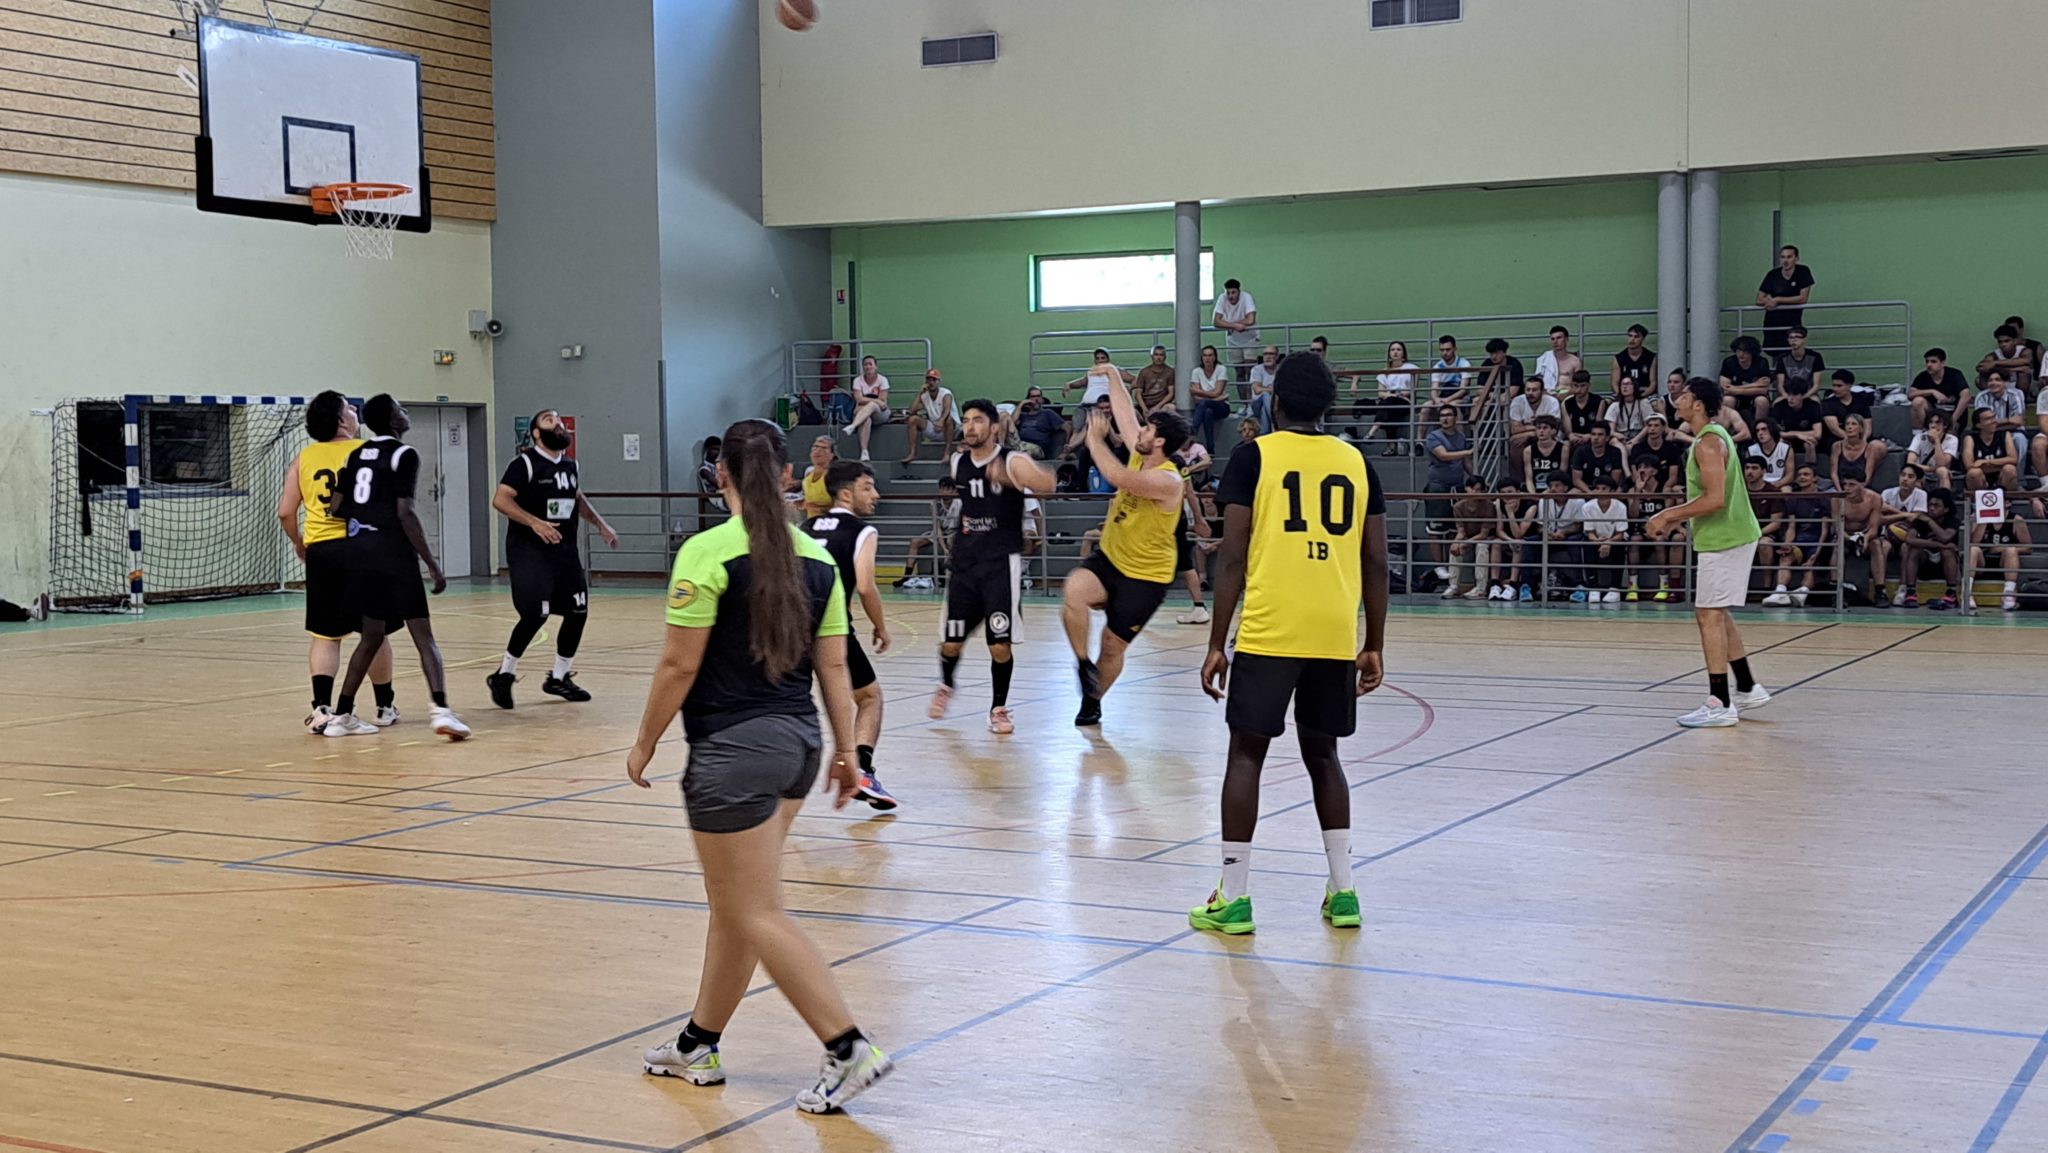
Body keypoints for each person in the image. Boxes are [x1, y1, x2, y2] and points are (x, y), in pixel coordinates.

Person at [629, 418, 892, 1112]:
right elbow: (834, 667)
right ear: (786, 476)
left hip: (733, 756)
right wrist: (847, 753)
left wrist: (644, 741)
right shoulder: (817, 558)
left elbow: (679, 663)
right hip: (798, 748)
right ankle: (698, 1041)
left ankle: (847, 1047)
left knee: (755, 910)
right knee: (736, 907)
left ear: (720, 475)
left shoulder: (706, 552)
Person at [1193, 351, 1387, 936]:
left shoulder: (1254, 456)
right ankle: (1344, 892)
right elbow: (1376, 560)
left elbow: (1232, 555)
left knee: (1246, 755)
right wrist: (1373, 642)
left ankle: (1233, 898)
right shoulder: (1356, 461)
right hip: (1333, 632)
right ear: (1328, 405)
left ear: (1273, 401)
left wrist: (1216, 642)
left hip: (1272, 628)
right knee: (1324, 756)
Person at [324, 394, 470, 740]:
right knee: (423, 635)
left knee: (371, 635)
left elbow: (336, 507)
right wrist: (432, 564)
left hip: (359, 551)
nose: (406, 413)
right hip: (391, 552)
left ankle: (341, 716)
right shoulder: (404, 454)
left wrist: (365, 514)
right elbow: (405, 513)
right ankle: (441, 711)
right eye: (400, 409)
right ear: (393, 420)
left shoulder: (355, 454)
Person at [1063, 370, 1192, 727]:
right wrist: (1112, 375)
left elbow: (1119, 478)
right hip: (1111, 557)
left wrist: (1094, 440)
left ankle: (1093, 702)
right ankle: (1082, 665)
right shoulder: (1142, 451)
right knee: (1074, 591)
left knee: (1112, 645)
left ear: (1160, 442)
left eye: (1148, 429)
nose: (1140, 431)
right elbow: (1124, 413)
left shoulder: (1167, 479)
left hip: (1146, 577)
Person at [1646, 377, 1771, 728]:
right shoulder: (1712, 436)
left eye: (1684, 395)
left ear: (1698, 404)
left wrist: (1668, 515)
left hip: (1726, 538)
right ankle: (1746, 687)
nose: (1677, 399)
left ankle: (1720, 703)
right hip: (1726, 536)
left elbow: (1715, 499)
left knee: (1709, 616)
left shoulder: (1709, 443)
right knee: (1718, 612)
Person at [930, 399, 1056, 735]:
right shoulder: (958, 462)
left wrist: (1014, 480)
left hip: (1000, 564)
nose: (970, 426)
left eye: (978, 420)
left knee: (999, 644)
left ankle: (998, 708)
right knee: (951, 642)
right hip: (964, 565)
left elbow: (1048, 484)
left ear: (994, 427)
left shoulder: (1012, 461)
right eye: (966, 420)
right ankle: (946, 684)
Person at [276, 391, 394, 734]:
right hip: (365, 547)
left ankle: (321, 709)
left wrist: (299, 542)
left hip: (323, 552)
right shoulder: (368, 451)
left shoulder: (304, 457)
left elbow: (285, 512)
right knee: (375, 632)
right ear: (341, 420)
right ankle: (384, 706)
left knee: (326, 635)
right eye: (349, 407)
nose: (355, 411)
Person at [486, 408, 619, 710]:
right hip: (530, 553)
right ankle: (504, 674)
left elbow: (577, 498)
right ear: (536, 433)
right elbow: (501, 500)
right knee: (536, 614)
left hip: (564, 551)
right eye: (549, 420)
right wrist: (534, 522)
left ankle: (558, 678)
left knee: (578, 611)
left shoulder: (571, 465)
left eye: (559, 420)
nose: (557, 423)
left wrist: (601, 525)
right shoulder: (524, 464)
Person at [804, 460, 896, 809]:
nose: (875, 495)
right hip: (831, 629)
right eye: (867, 487)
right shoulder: (862, 531)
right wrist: (880, 625)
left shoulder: (806, 527)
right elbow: (866, 585)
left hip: (791, 628)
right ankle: (862, 770)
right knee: (870, 698)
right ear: (846, 494)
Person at [1763, 464, 1831, 609]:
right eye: (1799, 475)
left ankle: (1802, 593)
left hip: (1818, 542)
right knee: (1785, 558)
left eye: (1806, 474)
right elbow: (1792, 527)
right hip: (1799, 542)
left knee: (1810, 565)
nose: (1802, 477)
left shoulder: (1823, 499)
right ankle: (1780, 592)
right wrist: (1787, 544)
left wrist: (1817, 553)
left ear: (1815, 478)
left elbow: (1825, 530)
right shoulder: (1793, 499)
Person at [1869, 462, 1928, 608]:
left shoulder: (1921, 495)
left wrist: (1893, 513)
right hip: (1887, 536)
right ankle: (1880, 590)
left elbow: (1915, 519)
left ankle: (1902, 589)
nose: (1905, 479)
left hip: (1910, 537)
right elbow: (1880, 518)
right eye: (1903, 475)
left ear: (1917, 481)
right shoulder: (1887, 493)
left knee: (1906, 548)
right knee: (1882, 547)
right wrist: (1903, 514)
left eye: (1910, 476)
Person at [1896, 488, 1961, 609]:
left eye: (1936, 506)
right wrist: (1937, 545)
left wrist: (1930, 521)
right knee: (1913, 549)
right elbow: (1909, 539)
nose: (1931, 508)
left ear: (1946, 509)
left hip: (1944, 566)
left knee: (1948, 552)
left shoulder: (1952, 521)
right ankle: (1911, 593)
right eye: (1930, 504)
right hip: (1924, 563)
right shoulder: (1921, 520)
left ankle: (1951, 593)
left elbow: (1945, 537)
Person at [1628, 457, 1681, 602]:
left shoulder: (1664, 489)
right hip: (1641, 529)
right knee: (1634, 541)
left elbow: (1668, 514)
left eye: (1646, 467)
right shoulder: (1633, 490)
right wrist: (1638, 492)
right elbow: (1633, 515)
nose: (1642, 470)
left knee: (1659, 541)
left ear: (1655, 471)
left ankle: (1663, 584)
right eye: (1639, 467)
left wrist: (1657, 529)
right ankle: (1633, 585)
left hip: (1660, 529)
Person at [895, 476, 958, 591]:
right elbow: (937, 528)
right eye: (943, 489)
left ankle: (943, 577)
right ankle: (906, 576)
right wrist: (944, 547)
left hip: (954, 532)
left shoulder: (959, 503)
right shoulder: (934, 504)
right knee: (915, 542)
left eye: (949, 489)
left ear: (954, 491)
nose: (945, 492)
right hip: (940, 532)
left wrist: (949, 545)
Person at [1972, 504, 2034, 612]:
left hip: (2004, 562)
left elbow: (2028, 548)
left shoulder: (2016, 519)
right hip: (1983, 562)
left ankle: (2008, 594)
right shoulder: (1980, 517)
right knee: (1973, 549)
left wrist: (2002, 548)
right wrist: (1985, 519)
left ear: (2007, 503)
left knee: (2011, 550)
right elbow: (1973, 542)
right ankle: (1967, 593)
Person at [1756, 245, 1815, 353]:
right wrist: (1770, 302)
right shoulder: (1773, 274)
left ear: (1796, 258)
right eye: (1783, 257)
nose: (1785, 261)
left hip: (1792, 320)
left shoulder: (1803, 271)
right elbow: (1759, 299)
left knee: (1792, 350)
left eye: (1789, 257)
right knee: (1773, 350)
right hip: (1773, 320)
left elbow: (1803, 298)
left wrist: (1778, 300)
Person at [1579, 476, 1629, 603]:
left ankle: (1615, 589)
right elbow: (1590, 533)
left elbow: (1620, 534)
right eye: (1597, 488)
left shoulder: (1620, 507)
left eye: (1604, 488)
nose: (1600, 491)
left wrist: (1608, 542)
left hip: (1614, 539)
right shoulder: (1587, 507)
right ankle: (1593, 587)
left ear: (1612, 491)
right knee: (1588, 546)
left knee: (1619, 547)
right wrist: (1597, 541)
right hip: (1596, 539)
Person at [1446, 475, 1496, 600]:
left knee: (1482, 546)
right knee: (1454, 547)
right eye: (1472, 488)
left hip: (1485, 538)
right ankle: (1453, 585)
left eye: (1478, 489)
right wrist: (1457, 542)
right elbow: (1461, 531)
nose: (1474, 492)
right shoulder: (1458, 507)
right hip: (1468, 536)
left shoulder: (1489, 506)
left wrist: (1466, 542)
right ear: (1466, 488)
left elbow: (1484, 534)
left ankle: (1480, 588)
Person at [1367, 341, 1419, 453]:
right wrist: (1394, 395)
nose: (1395, 352)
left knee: (1387, 405)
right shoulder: (1384, 372)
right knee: (1389, 405)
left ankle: (1375, 432)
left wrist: (1397, 394)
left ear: (1403, 353)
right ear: (1389, 353)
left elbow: (1412, 389)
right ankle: (1390, 445)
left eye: (1398, 350)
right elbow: (1381, 393)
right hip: (1390, 400)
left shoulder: (1411, 368)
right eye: (1393, 350)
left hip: (1405, 401)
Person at [901, 370, 959, 464]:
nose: (931, 382)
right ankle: (912, 453)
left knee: (948, 420)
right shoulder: (924, 396)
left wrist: (941, 421)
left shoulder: (946, 393)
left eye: (934, 380)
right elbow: (912, 411)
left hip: (951, 429)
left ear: (938, 381)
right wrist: (919, 394)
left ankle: (947, 453)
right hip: (934, 427)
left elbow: (947, 409)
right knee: (912, 420)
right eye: (929, 380)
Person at [1963, 404, 2022, 496]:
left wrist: (1985, 462)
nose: (1994, 421)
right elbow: (1969, 465)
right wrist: (1999, 464)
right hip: (1980, 478)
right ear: (1978, 425)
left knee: (2010, 469)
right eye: (1988, 419)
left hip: (2001, 476)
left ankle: (2007, 500)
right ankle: (1978, 501)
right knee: (1974, 473)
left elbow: (2013, 459)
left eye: (1994, 417)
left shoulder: (2005, 435)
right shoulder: (1970, 438)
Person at [1909, 348, 1972, 431]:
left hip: (1953, 416)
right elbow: (1910, 394)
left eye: (1933, 361)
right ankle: (1921, 432)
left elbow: (1966, 396)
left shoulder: (1955, 375)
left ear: (1942, 363)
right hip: (1933, 416)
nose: (1929, 365)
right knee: (1917, 401)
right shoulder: (1922, 376)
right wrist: (1932, 391)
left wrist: (1953, 419)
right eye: (1927, 361)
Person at [842, 356, 891, 463]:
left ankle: (853, 425)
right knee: (866, 419)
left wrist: (873, 402)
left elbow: (882, 401)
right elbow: (858, 399)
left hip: (880, 413)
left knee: (872, 405)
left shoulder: (882, 380)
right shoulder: (857, 380)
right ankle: (864, 452)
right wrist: (875, 400)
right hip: (863, 412)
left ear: (875, 366)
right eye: (865, 364)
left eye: (870, 364)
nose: (868, 367)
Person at [1493, 480, 1534, 601]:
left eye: (1510, 492)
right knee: (1496, 543)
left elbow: (1518, 534)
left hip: (1527, 539)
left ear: (1518, 491)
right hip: (1508, 538)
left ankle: (1512, 585)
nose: (1507, 496)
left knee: (1518, 543)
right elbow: (1499, 530)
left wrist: (1510, 513)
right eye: (1503, 493)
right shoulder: (1499, 503)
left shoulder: (1530, 506)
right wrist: (1509, 540)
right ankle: (1495, 584)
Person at [1770, 380, 1826, 465]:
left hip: (1805, 439)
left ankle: (1809, 469)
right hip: (1787, 438)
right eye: (1789, 394)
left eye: (1795, 395)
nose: (1790, 398)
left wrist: (1798, 434)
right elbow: (1772, 432)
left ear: (1803, 395)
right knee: (1779, 441)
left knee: (1810, 443)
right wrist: (1796, 434)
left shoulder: (1812, 406)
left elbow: (1818, 433)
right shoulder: (1779, 406)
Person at [1187, 345, 1233, 449]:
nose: (1207, 358)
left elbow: (1217, 392)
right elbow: (1196, 398)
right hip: (1207, 406)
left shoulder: (1221, 369)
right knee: (1208, 412)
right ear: (1201, 357)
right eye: (1205, 355)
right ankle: (1210, 448)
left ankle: (1193, 431)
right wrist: (1215, 396)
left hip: (1222, 406)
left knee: (1204, 403)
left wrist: (1200, 392)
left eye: (1210, 355)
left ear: (1215, 357)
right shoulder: (1196, 371)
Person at [1212, 279, 1260, 376]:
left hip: (1250, 338)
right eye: (1228, 293)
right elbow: (1215, 321)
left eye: (1233, 292)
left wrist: (1228, 324)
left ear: (1239, 291)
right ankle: (1242, 387)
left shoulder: (1246, 297)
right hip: (1233, 340)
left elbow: (1251, 320)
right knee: (1239, 373)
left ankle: (1250, 387)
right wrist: (1234, 326)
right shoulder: (1222, 298)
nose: (1230, 296)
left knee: (1250, 371)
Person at [1720, 336, 1774, 422]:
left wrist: (1735, 389)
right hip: (1736, 396)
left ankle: (1758, 427)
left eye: (1745, 351)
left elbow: (1763, 390)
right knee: (1727, 400)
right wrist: (1755, 384)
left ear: (1752, 352)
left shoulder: (1761, 362)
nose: (1741, 354)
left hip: (1753, 396)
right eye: (1739, 350)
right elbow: (1725, 389)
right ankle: (1727, 428)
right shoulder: (1729, 362)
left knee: (1762, 401)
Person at [1508, 375, 1562, 457]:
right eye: (1528, 390)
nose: (1530, 393)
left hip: (1548, 435)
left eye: (1534, 390)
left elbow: (1554, 428)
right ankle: (1518, 466)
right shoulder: (1517, 401)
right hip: (1529, 434)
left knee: (1548, 437)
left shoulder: (1552, 402)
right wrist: (1533, 432)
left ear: (1542, 391)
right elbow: (1514, 429)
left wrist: (1527, 428)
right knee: (1515, 440)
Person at [1829, 414, 1887, 490]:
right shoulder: (1837, 446)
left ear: (1861, 428)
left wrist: (1855, 491)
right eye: (1847, 424)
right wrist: (1840, 491)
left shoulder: (1869, 448)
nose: (1849, 427)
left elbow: (1868, 477)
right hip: (1840, 488)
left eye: (1853, 424)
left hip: (1860, 489)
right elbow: (1833, 474)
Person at [1772, 326, 1826, 405]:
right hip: (1789, 394)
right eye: (1791, 337)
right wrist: (1788, 397)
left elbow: (1816, 385)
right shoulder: (1782, 358)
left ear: (1804, 339)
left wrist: (1802, 397)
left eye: (1797, 337)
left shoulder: (1815, 357)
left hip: (1808, 393)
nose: (1794, 340)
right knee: (1776, 403)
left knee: (1816, 402)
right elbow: (1780, 385)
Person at [1908, 411, 1959, 493]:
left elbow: (1942, 463)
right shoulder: (1919, 437)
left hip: (1939, 473)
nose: (1933, 426)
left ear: (1945, 425)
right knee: (1912, 473)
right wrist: (1931, 468)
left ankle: (1944, 498)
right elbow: (1910, 462)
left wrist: (1937, 440)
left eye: (1937, 422)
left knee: (1942, 471)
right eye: (1930, 422)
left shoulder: (1952, 439)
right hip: (1921, 472)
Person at [1064, 347, 1133, 406]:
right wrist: (1069, 384)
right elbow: (1082, 382)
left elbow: (1134, 379)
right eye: (1097, 358)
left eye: (1103, 358)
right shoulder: (1091, 372)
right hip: (1086, 404)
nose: (1100, 360)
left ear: (1108, 360)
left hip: (1105, 406)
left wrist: (1128, 391)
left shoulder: (1116, 371)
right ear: (1095, 361)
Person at [1978, 324, 2036, 394]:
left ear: (2015, 341)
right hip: (2001, 383)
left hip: (2020, 383)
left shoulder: (2024, 351)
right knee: (1979, 379)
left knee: (2023, 374)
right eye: (2000, 342)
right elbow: (1981, 368)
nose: (2003, 345)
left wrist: (1995, 363)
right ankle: (1990, 398)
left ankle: (2021, 399)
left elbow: (2026, 361)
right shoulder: (1994, 355)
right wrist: (2017, 368)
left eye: (2007, 341)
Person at [1570, 421, 1626, 492]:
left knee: (1618, 491)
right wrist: (1590, 493)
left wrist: (1601, 492)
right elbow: (1576, 480)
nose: (1596, 438)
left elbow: (1614, 480)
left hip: (1606, 490)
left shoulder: (1615, 452)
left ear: (1607, 438)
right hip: (1586, 489)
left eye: (1600, 435)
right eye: (1593, 434)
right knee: (1574, 492)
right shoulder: (1580, 451)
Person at [1428, 335, 1473, 424]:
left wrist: (1447, 400)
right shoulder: (1437, 367)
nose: (1445, 352)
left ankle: (1459, 433)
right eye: (1442, 350)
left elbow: (1463, 390)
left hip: (1461, 398)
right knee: (1426, 407)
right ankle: (1419, 434)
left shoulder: (1464, 364)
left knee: (1453, 406)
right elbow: (1434, 390)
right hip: (1444, 396)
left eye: (1448, 349)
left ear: (1455, 349)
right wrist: (1436, 399)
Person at [1522, 415, 1567, 493]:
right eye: (1538, 428)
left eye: (1545, 428)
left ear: (1553, 431)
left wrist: (1545, 494)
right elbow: (1529, 479)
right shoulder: (1528, 451)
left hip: (1555, 491)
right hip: (1535, 491)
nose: (1541, 431)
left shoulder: (1563, 449)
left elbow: (1561, 476)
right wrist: (1533, 495)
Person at [1605, 374, 1655, 442]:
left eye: (1628, 384)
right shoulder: (1615, 406)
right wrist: (1616, 434)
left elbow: (1648, 425)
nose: (1625, 387)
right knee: (1614, 441)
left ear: (1634, 387)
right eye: (1622, 384)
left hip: (1639, 436)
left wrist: (1634, 441)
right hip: (1621, 436)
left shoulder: (1643, 403)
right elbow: (1611, 430)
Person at [1560, 370, 1602, 447]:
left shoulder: (1598, 402)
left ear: (1589, 385)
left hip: (1592, 437)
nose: (1579, 389)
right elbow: (1568, 431)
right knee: (1565, 445)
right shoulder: (1566, 403)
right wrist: (1571, 436)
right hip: (1574, 439)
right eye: (1576, 385)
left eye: (1583, 386)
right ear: (1572, 385)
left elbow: (1599, 426)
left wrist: (1589, 436)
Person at [1612, 324, 1658, 394]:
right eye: (1630, 336)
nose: (1632, 339)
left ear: (1643, 339)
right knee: (1606, 400)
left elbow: (1653, 383)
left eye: (1636, 336)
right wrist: (1623, 396)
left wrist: (1642, 396)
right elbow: (1614, 384)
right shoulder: (1618, 358)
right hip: (1624, 394)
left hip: (1645, 393)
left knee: (1656, 401)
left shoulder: (1651, 357)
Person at [1535, 326, 1582, 394]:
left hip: (1567, 395)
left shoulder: (1575, 361)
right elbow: (1537, 383)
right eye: (1553, 339)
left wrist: (1564, 393)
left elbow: (1578, 385)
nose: (1555, 341)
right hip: (1547, 395)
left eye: (1559, 338)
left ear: (1566, 340)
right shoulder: (1544, 359)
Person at [1747, 419, 1793, 487]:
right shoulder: (1752, 450)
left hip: (1780, 484)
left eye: (1764, 429)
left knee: (1786, 490)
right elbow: (1747, 474)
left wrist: (1777, 484)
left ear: (1772, 430)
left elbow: (1790, 475)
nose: (1760, 433)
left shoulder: (1786, 449)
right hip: (1758, 484)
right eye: (1757, 431)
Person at [1133, 345, 1177, 415]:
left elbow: (1171, 393)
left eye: (1161, 355)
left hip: (1162, 405)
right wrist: (1144, 409)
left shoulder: (1170, 372)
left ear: (1165, 357)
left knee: (1171, 407)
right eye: (1156, 355)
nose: (1158, 358)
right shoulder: (1144, 372)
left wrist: (1157, 407)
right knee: (1132, 412)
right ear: (1152, 356)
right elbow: (1138, 393)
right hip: (1145, 405)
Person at [798, 436, 836, 517]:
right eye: (815, 447)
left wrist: (819, 509)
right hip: (811, 522)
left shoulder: (833, 475)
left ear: (831, 455)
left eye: (823, 448)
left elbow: (844, 506)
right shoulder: (808, 474)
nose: (817, 451)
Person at [1247, 345, 1282, 424]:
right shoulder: (1257, 369)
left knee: (1264, 409)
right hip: (1257, 406)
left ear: (1277, 356)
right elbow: (1257, 390)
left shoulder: (1281, 370)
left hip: (1276, 405)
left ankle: (1268, 428)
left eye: (1271, 354)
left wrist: (1267, 390)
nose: (1268, 357)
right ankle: (1274, 422)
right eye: (1265, 354)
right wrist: (1273, 390)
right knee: (1266, 396)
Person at [696, 437, 727, 524]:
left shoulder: (718, 465)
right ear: (707, 450)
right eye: (714, 449)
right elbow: (718, 484)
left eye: (718, 450)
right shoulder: (704, 469)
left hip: (724, 494)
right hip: (716, 498)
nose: (716, 452)